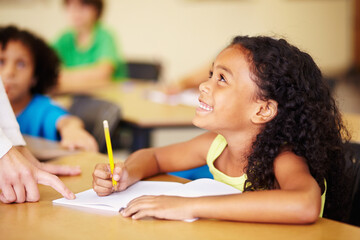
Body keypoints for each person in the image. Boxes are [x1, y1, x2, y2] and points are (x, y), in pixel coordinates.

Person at [92, 36, 349, 224]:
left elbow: (304, 204)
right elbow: (155, 157)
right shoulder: (216, 145)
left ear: (262, 110)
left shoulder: (284, 157)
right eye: (211, 74)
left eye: (222, 79)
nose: (204, 85)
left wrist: (190, 207)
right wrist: (126, 173)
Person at [0, 25, 98, 152]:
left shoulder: (40, 108)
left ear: (35, 76)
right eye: (1, 62)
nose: (9, 72)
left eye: (21, 64)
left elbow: (65, 121)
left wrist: (72, 131)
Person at [0, 77, 81, 203]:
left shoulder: (42, 106)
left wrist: (15, 148)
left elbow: (64, 119)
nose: (10, 72)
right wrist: (4, 151)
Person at [53, 0, 127, 94]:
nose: (76, 12)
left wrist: (62, 76)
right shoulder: (65, 38)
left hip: (105, 96)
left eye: (83, 6)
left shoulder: (104, 36)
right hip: (74, 95)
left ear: (96, 10)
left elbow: (102, 74)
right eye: (71, 6)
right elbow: (44, 65)